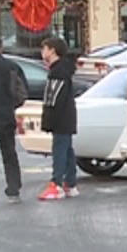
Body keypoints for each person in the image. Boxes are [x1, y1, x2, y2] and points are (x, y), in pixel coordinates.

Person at [38, 36, 79, 200]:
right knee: (67, 150)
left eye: (45, 49)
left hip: (61, 117)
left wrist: (48, 120)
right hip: (66, 116)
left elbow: (53, 99)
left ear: (52, 51)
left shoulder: (57, 72)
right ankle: (70, 183)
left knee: (60, 150)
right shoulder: (63, 69)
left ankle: (57, 184)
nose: (43, 52)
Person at [0, 35, 26, 203]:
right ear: (0, 48)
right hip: (4, 115)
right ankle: (13, 190)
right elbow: (21, 93)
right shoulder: (11, 67)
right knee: (9, 154)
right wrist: (10, 104)